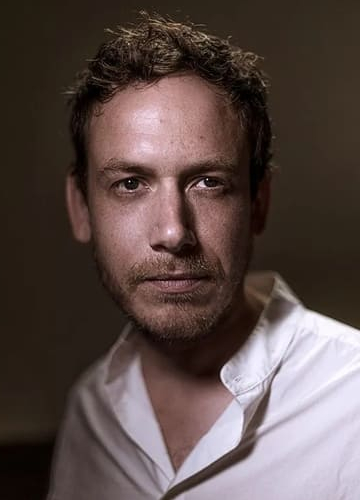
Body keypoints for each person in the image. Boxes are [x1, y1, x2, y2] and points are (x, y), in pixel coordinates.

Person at [47, 12, 360, 500]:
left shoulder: (351, 401)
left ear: (259, 203)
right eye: (130, 184)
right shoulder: (90, 411)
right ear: (81, 207)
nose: (174, 232)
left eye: (209, 183)